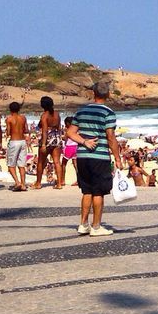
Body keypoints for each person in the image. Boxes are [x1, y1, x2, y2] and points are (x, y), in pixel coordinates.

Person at [65, 80, 124, 237]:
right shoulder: (108, 113)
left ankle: (83, 224)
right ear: (108, 94)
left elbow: (70, 132)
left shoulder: (81, 111)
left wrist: (84, 141)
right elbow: (110, 136)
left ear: (93, 93)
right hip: (100, 157)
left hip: (83, 156)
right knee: (98, 192)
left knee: (86, 191)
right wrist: (117, 157)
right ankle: (96, 226)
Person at [34, 96, 65, 190]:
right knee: (57, 161)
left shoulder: (44, 116)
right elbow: (59, 128)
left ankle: (38, 183)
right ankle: (59, 183)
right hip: (56, 137)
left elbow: (44, 131)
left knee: (41, 162)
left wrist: (43, 144)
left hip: (47, 138)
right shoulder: (57, 114)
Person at [5, 102, 30, 192]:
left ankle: (17, 182)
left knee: (11, 165)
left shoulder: (9, 119)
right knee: (21, 165)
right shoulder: (23, 118)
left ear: (10, 109)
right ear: (19, 109)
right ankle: (23, 184)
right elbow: (26, 130)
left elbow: (8, 132)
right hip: (22, 141)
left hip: (14, 141)